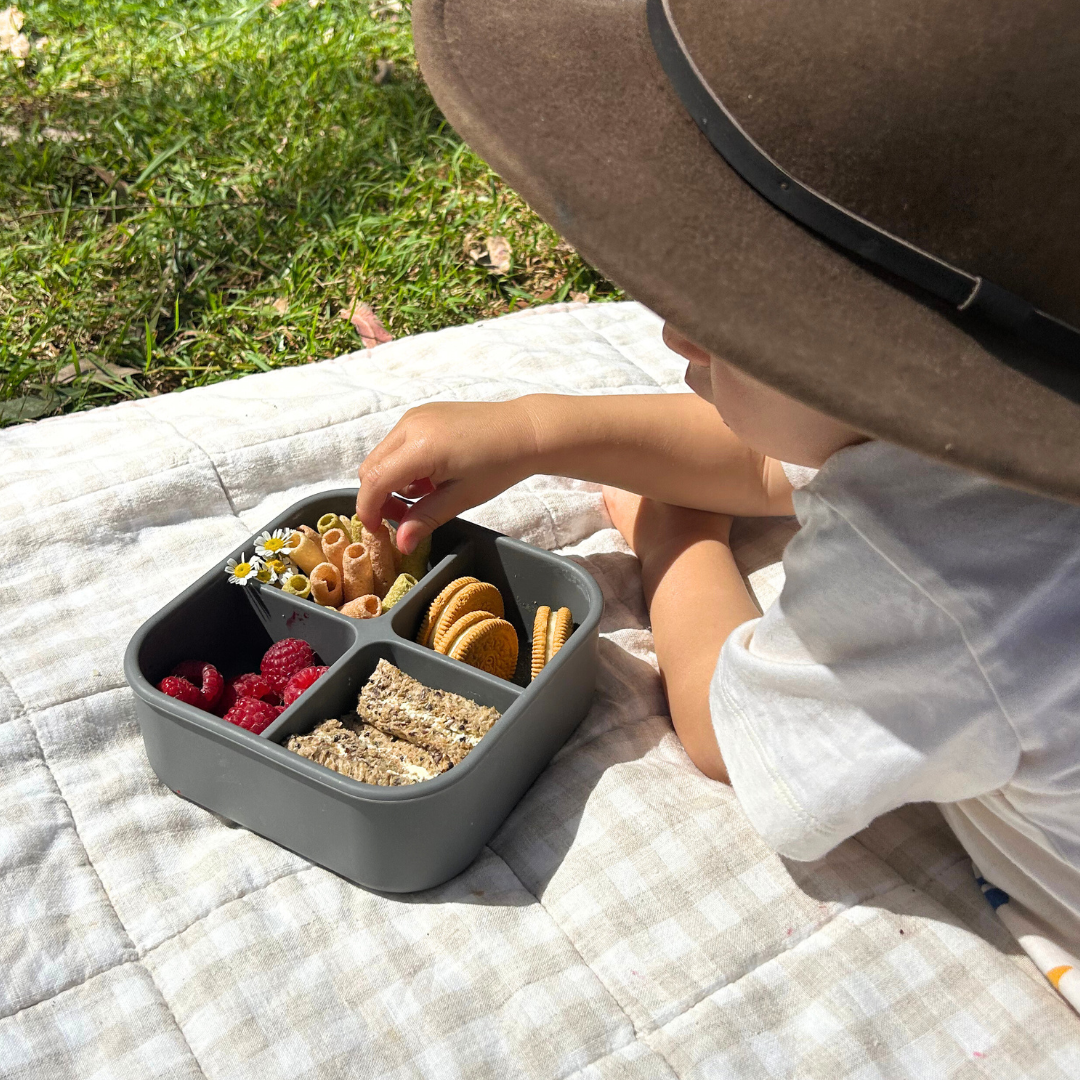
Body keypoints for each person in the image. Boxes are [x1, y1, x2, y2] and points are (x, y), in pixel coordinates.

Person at [357, 0, 1080, 1006]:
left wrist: (674, 533)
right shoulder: (1018, 424)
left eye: (725, 316)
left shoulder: (940, 576)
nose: (673, 340)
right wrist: (535, 430)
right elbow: (780, 463)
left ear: (881, 373)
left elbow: (724, 724)